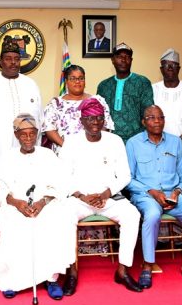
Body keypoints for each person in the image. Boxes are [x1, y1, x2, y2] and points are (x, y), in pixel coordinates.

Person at [59, 98, 142, 294]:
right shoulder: (71, 142)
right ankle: (72, 271)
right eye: (90, 118)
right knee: (64, 216)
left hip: (109, 198)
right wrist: (81, 195)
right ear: (82, 120)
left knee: (132, 215)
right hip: (80, 199)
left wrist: (106, 193)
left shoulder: (114, 141)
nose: (95, 122)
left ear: (104, 120)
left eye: (99, 118)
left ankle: (123, 270)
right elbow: (62, 176)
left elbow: (125, 175)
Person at [0, 114, 75, 300]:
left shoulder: (47, 155)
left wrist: (42, 202)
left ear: (37, 134)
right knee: (12, 223)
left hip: (45, 204)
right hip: (15, 205)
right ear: (16, 135)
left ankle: (50, 278)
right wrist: (18, 203)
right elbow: (0, 189)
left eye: (32, 134)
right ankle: (11, 280)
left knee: (54, 220)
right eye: (24, 134)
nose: (28, 138)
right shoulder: (7, 157)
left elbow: (59, 185)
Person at [127, 105, 182, 288]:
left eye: (160, 117)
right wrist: (152, 192)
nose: (156, 121)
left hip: (173, 194)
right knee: (153, 215)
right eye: (151, 117)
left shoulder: (176, 142)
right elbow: (128, 179)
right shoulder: (133, 143)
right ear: (143, 122)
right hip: (146, 194)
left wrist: (177, 192)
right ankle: (148, 265)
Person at [0, 42, 43, 158]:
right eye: (8, 59)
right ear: (0, 61)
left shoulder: (31, 84)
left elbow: (40, 118)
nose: (13, 62)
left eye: (16, 59)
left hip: (27, 148)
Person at [42, 64, 114, 153]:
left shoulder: (97, 100)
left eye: (81, 78)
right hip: (65, 151)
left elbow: (105, 125)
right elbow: (49, 129)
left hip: (93, 151)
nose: (77, 81)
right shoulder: (55, 103)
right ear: (66, 82)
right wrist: (67, 146)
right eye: (73, 78)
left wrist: (94, 145)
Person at [96, 43, 153, 144]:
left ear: (131, 60)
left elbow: (148, 113)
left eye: (127, 57)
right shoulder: (103, 86)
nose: (123, 60)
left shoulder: (142, 82)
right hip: (109, 140)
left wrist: (141, 139)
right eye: (119, 56)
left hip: (136, 140)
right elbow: (98, 114)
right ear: (112, 60)